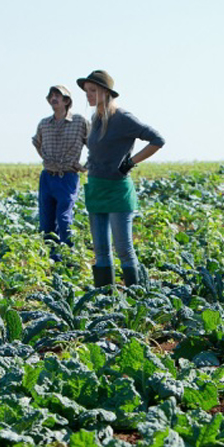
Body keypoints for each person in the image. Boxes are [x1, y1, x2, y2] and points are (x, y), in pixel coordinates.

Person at [77, 70, 164, 288]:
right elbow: (98, 151)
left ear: (105, 92)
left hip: (117, 190)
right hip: (96, 187)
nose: (88, 95)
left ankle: (136, 298)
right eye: (86, 91)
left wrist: (130, 162)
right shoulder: (96, 118)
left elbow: (157, 139)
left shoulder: (123, 118)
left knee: (124, 249)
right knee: (100, 251)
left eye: (92, 91)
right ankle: (105, 300)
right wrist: (86, 166)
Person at [32, 85, 89, 259]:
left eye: (58, 95)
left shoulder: (79, 121)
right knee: (46, 223)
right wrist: (47, 159)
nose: (54, 98)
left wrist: (85, 166)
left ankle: (70, 258)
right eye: (51, 96)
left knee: (64, 219)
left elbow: (94, 143)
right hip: (47, 177)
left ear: (66, 101)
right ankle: (53, 260)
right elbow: (37, 143)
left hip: (67, 177)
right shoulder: (44, 124)